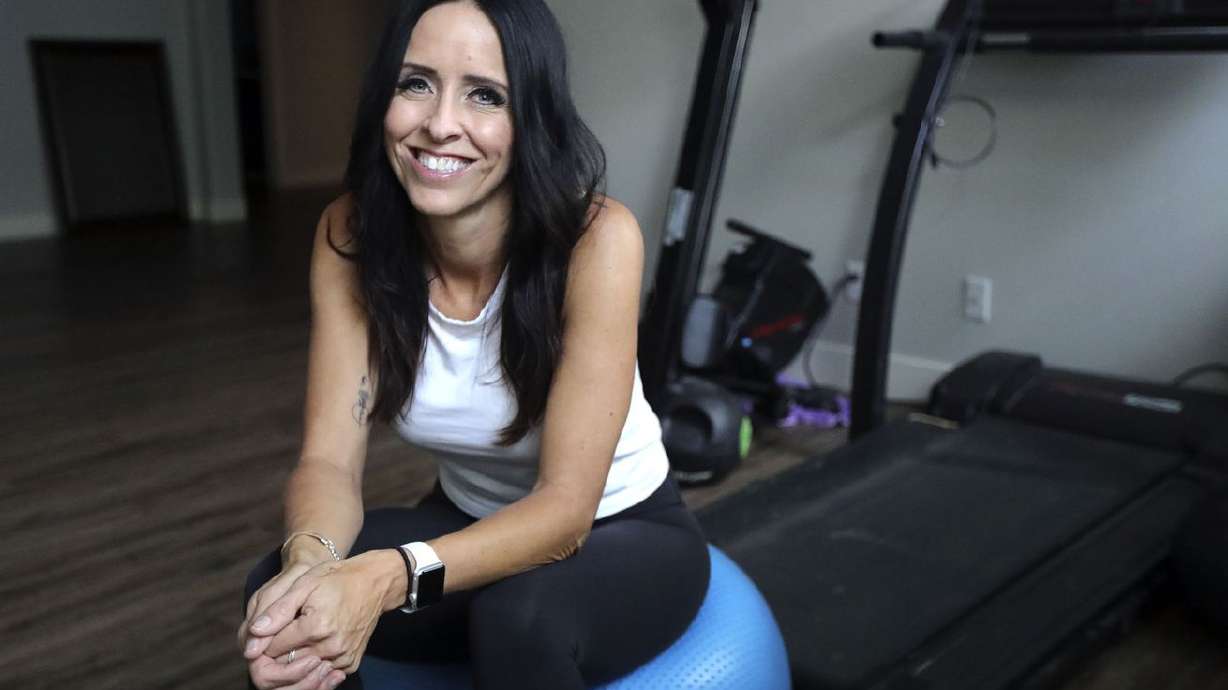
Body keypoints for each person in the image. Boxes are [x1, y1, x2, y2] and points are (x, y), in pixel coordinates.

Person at [236, 1, 710, 688]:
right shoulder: (351, 235)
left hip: (623, 529)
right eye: (415, 83)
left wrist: (383, 578)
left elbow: (565, 512)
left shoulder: (596, 240)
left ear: (531, 122)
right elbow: (328, 462)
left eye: (485, 95)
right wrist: (314, 562)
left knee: (518, 620)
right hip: (464, 518)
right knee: (282, 595)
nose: (441, 124)